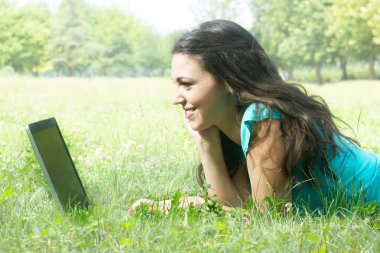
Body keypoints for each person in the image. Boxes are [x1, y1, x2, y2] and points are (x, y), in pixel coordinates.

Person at [128, 19, 379, 214]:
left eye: (187, 84)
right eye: (175, 84)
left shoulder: (264, 118)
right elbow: (232, 205)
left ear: (228, 80)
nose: (175, 98)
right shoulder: (228, 128)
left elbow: (267, 219)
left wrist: (176, 206)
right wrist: (206, 142)